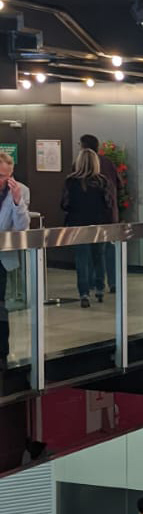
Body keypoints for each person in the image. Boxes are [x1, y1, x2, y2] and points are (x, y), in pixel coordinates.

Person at [61, 149, 115, 307]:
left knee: (81, 259)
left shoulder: (70, 181)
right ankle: (99, 288)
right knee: (99, 256)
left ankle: (83, 293)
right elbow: (108, 203)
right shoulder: (102, 181)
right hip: (98, 224)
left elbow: (64, 204)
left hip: (77, 225)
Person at [0, 152, 30, 372]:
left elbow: (22, 227)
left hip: (2, 255)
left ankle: (2, 353)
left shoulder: (20, 190)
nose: (3, 180)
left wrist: (18, 201)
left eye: (6, 176)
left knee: (1, 307)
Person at [79, 134, 120, 294]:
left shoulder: (81, 165)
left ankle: (93, 283)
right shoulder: (108, 163)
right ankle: (113, 282)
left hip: (89, 218)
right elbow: (119, 185)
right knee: (108, 249)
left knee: (91, 252)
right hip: (110, 215)